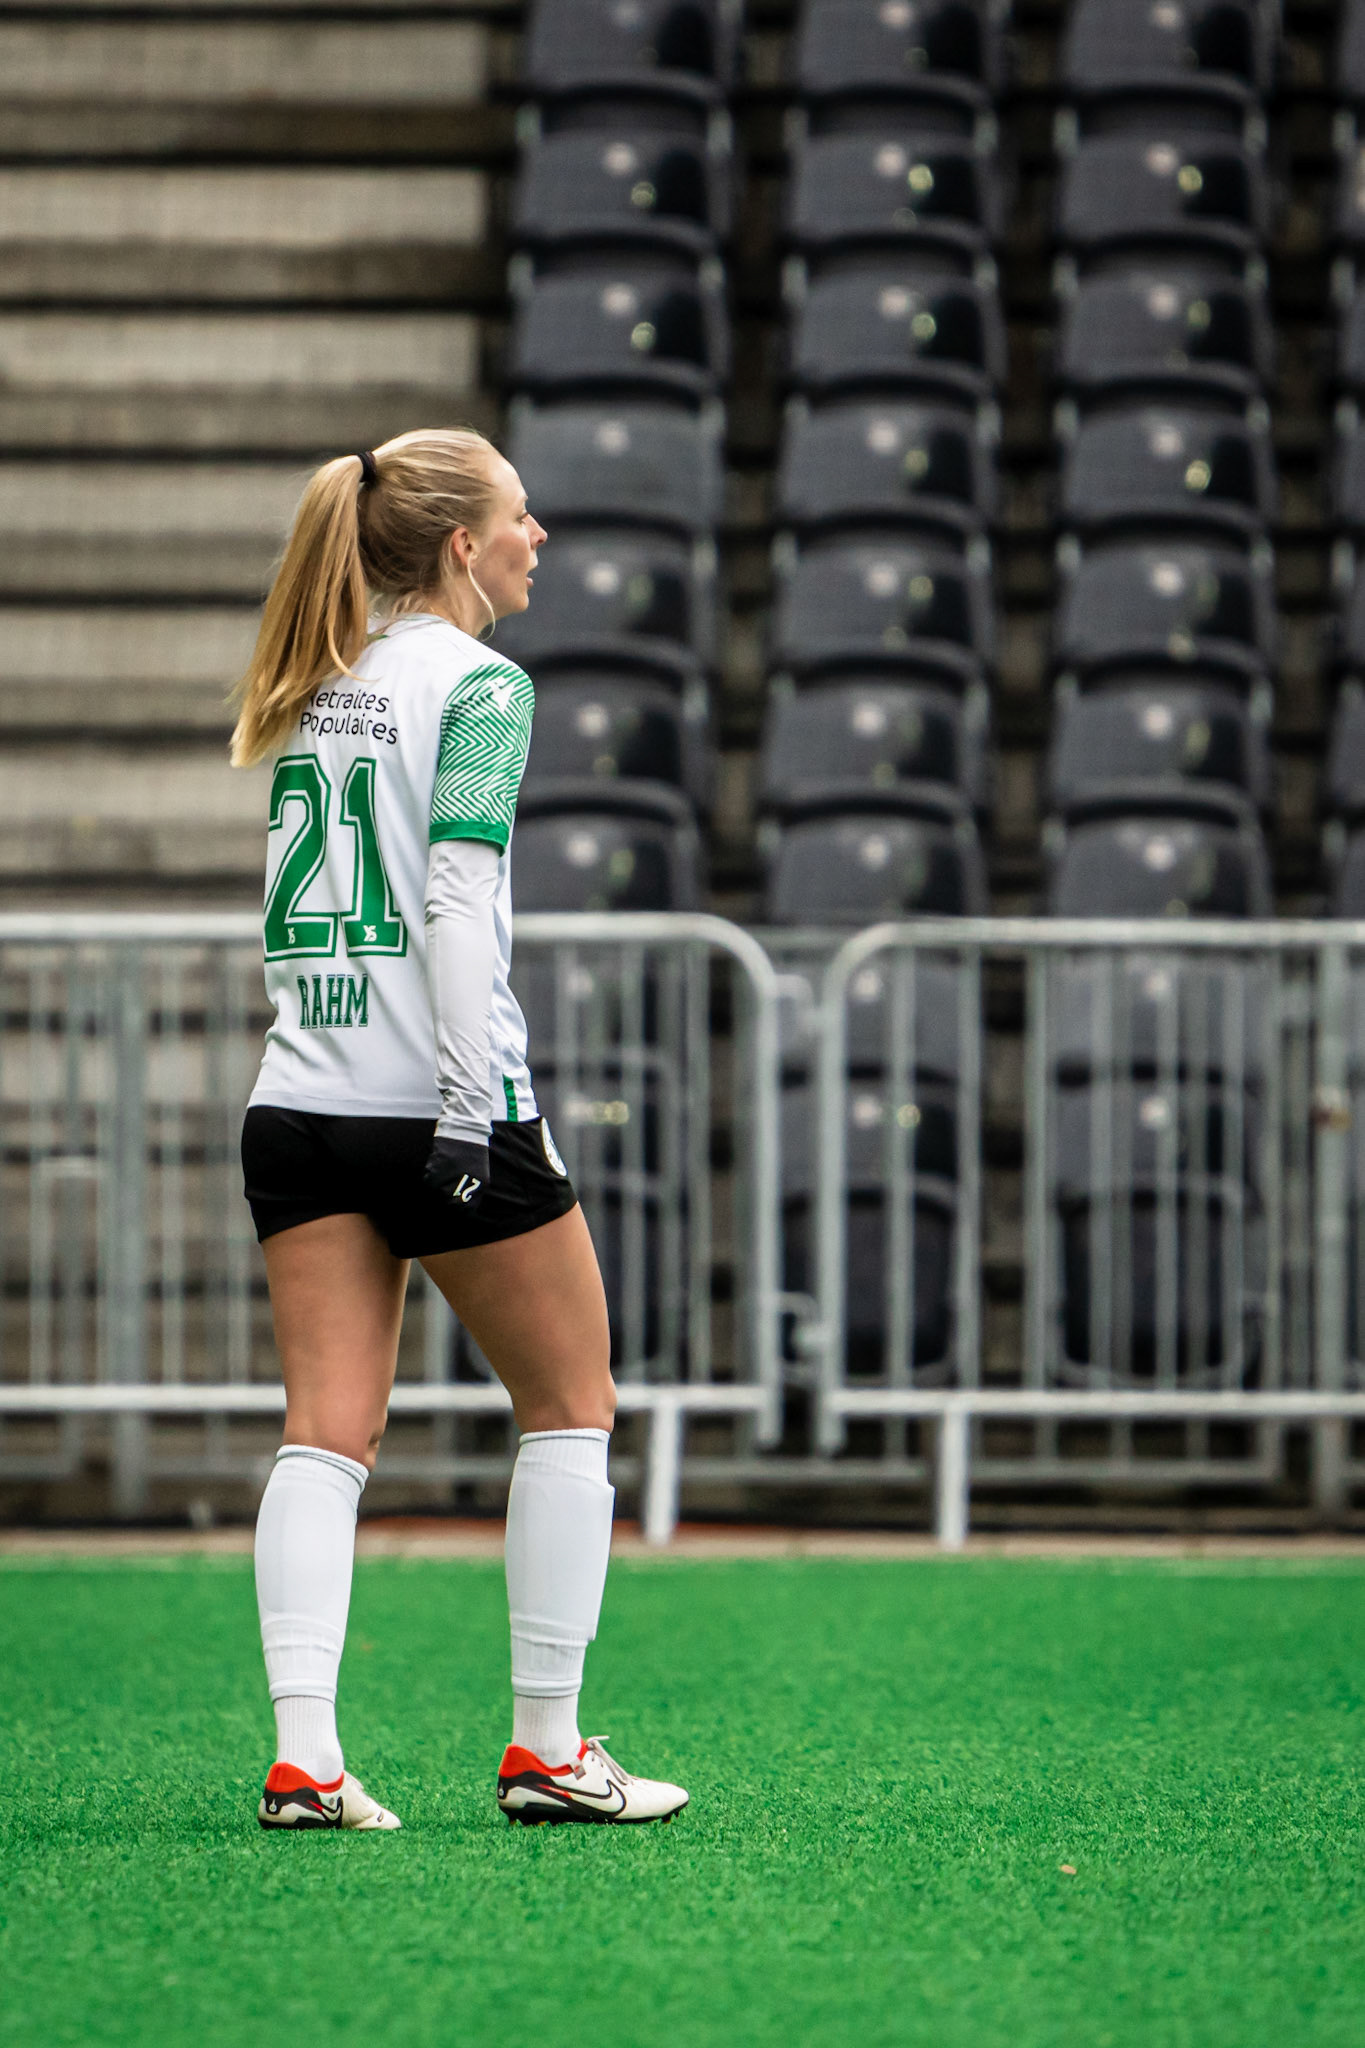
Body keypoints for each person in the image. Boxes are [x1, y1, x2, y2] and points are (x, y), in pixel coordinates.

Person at [230, 428, 688, 1830]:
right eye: (519, 517)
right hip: (436, 1103)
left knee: (325, 1432)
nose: (537, 537)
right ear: (457, 548)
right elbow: (448, 902)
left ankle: (306, 1759)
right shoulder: (482, 682)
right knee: (569, 1406)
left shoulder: (313, 676)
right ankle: (546, 1751)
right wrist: (468, 1102)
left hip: (296, 1100)